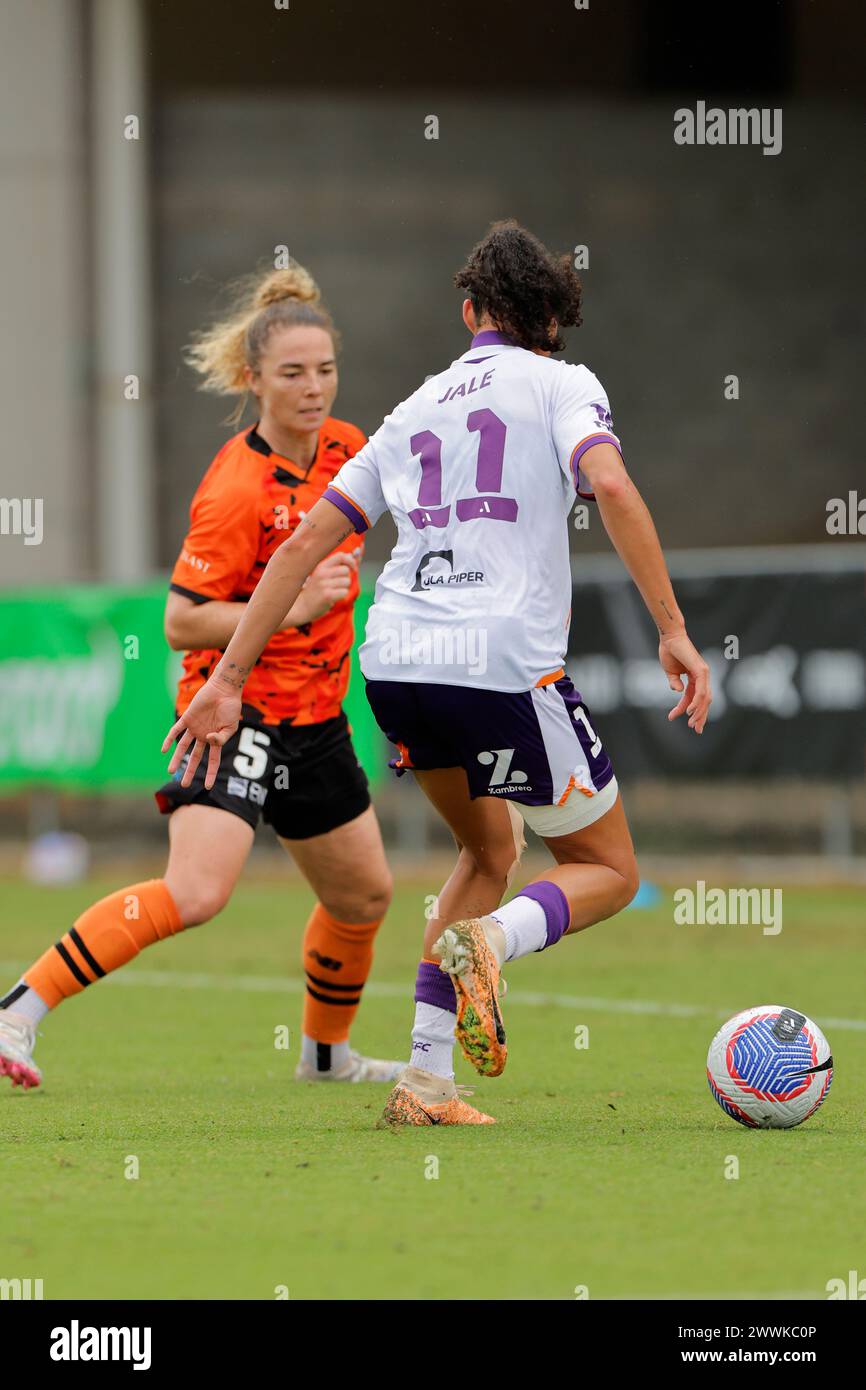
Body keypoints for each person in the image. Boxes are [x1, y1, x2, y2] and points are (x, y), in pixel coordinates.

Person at [158, 222, 712, 1127]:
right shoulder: (565, 384)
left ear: (469, 313)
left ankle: (424, 1082)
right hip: (501, 663)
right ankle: (489, 943)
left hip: (400, 664)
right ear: (554, 322)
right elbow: (610, 486)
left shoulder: (414, 407)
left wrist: (227, 676)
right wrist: (675, 629)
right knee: (605, 869)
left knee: (491, 849)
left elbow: (304, 542)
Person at [0, 262, 402, 1090]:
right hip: (235, 715)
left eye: (325, 370)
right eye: (293, 373)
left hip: (317, 719)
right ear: (254, 379)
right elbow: (181, 621)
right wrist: (287, 609)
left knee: (363, 896)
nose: (313, 388)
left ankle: (325, 1058)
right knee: (195, 892)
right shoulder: (235, 489)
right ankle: (16, 1011)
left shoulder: (350, 448)